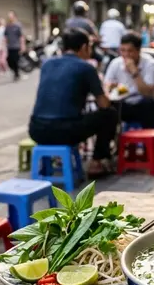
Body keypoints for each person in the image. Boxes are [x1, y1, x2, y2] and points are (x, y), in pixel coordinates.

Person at [29, 29, 116, 177]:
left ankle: (55, 160)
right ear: (83, 47)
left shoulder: (47, 64)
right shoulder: (86, 67)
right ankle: (97, 162)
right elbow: (103, 104)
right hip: (65, 132)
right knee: (109, 114)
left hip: (36, 130)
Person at [104, 32, 154, 129]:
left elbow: (147, 92)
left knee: (148, 104)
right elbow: (107, 85)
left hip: (144, 105)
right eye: (123, 50)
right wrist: (110, 88)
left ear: (138, 51)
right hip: (124, 102)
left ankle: (146, 139)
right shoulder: (115, 63)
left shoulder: (150, 64)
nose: (126, 55)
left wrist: (134, 72)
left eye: (130, 51)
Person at [4, 11, 25, 80]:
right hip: (9, 46)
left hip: (16, 46)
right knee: (9, 61)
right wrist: (4, 45)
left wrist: (22, 45)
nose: (10, 18)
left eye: (11, 16)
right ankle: (16, 72)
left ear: (14, 17)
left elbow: (21, 36)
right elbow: (5, 36)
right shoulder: (7, 26)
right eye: (9, 17)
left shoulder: (18, 25)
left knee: (15, 61)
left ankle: (17, 74)